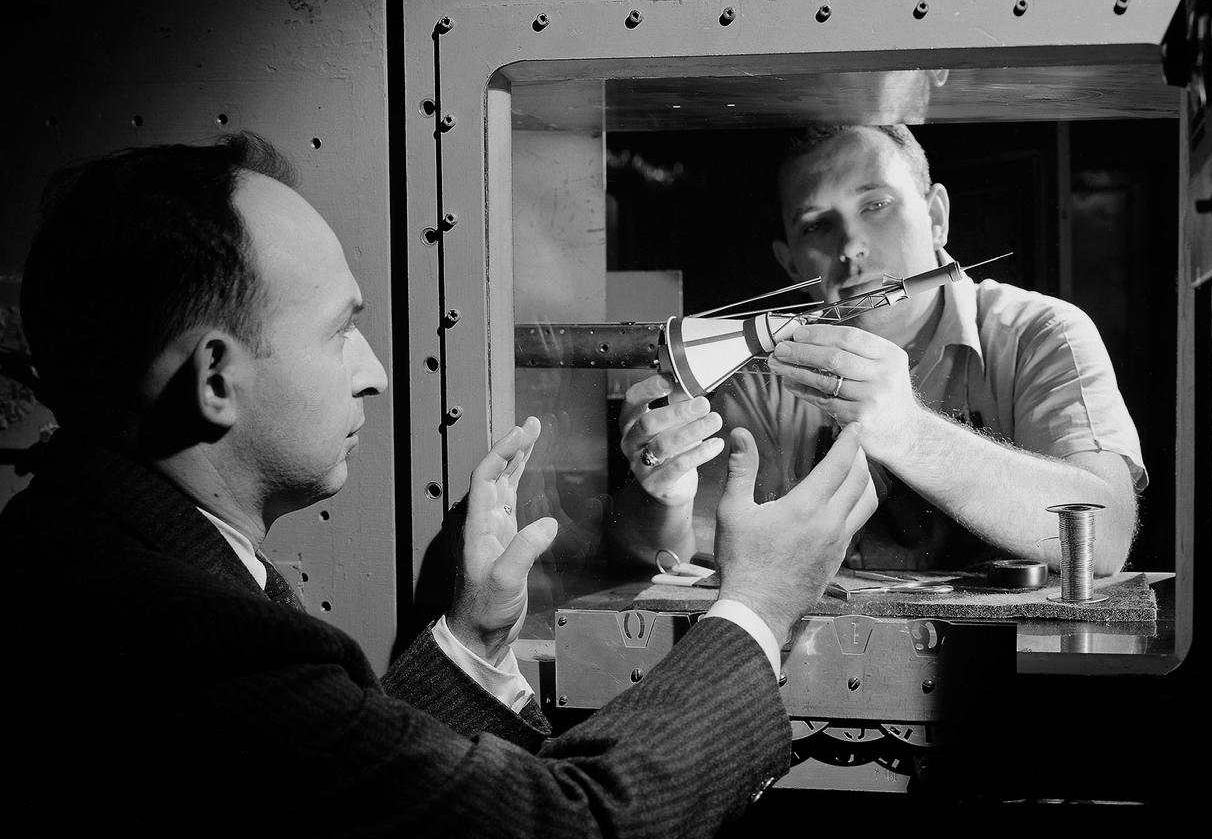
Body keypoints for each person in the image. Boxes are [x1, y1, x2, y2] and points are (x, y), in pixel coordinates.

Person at [4, 133, 878, 836]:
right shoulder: (169, 633)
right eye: (341, 331)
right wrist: (760, 606)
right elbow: (570, 826)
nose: (376, 372)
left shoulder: (99, 551)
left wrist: (468, 638)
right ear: (216, 382)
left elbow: (348, 802)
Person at [617, 123, 1146, 575]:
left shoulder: (1041, 333)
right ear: (791, 264)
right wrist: (665, 496)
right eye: (816, 226)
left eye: (876, 204)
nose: (850, 247)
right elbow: (679, 555)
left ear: (936, 216)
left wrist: (909, 432)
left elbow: (1107, 532)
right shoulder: (762, 373)